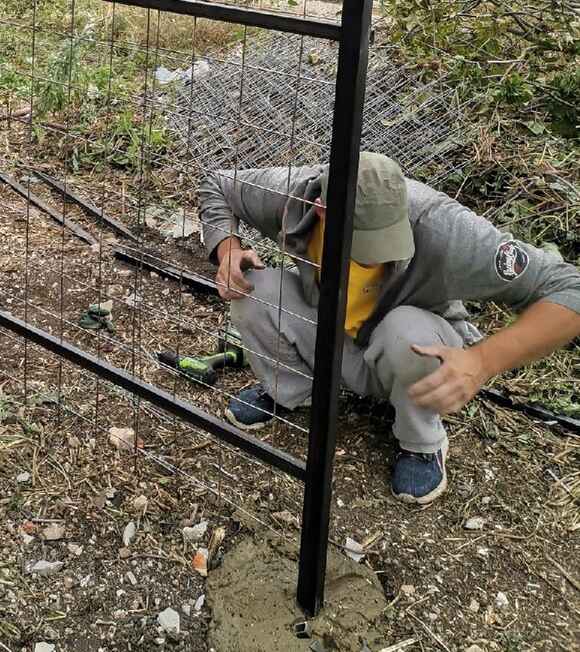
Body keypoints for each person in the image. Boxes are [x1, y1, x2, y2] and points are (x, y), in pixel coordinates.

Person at [199, 152, 580, 505]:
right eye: (366, 242)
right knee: (256, 293)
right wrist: (228, 250)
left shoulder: (444, 228)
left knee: (404, 330)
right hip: (330, 336)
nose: (381, 253)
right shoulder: (291, 194)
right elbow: (217, 183)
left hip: (408, 355)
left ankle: (421, 442)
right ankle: (296, 391)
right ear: (321, 211)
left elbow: (570, 288)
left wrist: (483, 360)